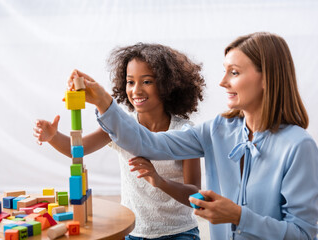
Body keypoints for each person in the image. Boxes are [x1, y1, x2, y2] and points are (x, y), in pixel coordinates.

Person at [80, 32, 318, 239]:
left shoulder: (298, 146)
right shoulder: (216, 130)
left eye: (233, 72)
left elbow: (303, 234)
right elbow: (148, 143)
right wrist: (104, 103)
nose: (222, 82)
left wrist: (239, 216)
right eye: (224, 71)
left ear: (267, 77)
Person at [33, 43, 206, 239]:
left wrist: (159, 181)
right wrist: (53, 137)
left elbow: (195, 196)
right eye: (130, 82)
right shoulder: (121, 127)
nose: (136, 90)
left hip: (179, 233)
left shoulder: (184, 132)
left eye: (147, 82)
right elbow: (77, 150)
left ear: (168, 85)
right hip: (132, 232)